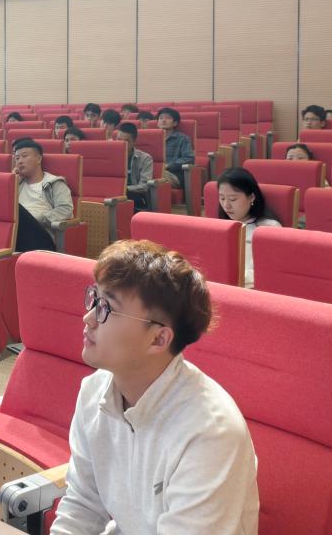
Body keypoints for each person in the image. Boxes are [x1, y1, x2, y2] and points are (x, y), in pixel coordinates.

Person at [51, 240, 259, 534]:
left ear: (159, 339)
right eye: (94, 298)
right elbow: (83, 505)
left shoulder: (211, 432)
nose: (88, 318)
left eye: (106, 308)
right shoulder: (94, 391)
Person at [216, 167, 282, 287]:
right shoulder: (218, 227)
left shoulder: (270, 228)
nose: (226, 205)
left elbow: (270, 272)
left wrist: (229, 277)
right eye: (222, 198)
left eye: (233, 199)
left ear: (251, 197)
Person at [12, 139, 74, 252]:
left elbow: (66, 209)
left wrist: (37, 219)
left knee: (15, 209)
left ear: (39, 159)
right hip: (17, 234)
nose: (20, 161)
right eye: (17, 158)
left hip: (43, 237)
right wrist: (12, 183)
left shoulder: (55, 183)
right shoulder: (17, 184)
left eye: (24, 156)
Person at [115, 122, 153, 211]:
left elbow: (144, 186)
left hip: (135, 195)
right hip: (116, 193)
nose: (121, 143)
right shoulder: (110, 156)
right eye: (118, 139)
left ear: (134, 141)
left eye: (126, 141)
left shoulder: (145, 158)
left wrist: (124, 189)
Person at [157, 108, 194, 188]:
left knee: (155, 174)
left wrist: (169, 165)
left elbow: (189, 158)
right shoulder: (153, 138)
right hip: (155, 171)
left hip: (174, 174)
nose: (163, 120)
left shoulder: (182, 138)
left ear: (175, 123)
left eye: (168, 118)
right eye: (161, 118)